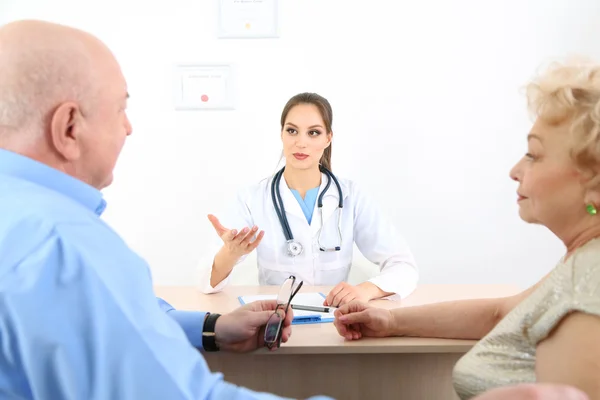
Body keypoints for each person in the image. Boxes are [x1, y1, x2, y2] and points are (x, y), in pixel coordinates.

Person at [0, 19, 330, 400]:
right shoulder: (63, 247)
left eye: (313, 132)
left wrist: (211, 327)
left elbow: (124, 318)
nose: (128, 128)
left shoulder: (21, 219)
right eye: (119, 109)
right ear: (69, 128)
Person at [332, 58, 600, 400]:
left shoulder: (589, 290)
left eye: (534, 155)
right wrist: (392, 322)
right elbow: (499, 312)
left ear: (596, 184)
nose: (515, 171)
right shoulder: (582, 264)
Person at [200, 92, 419, 306]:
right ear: (282, 134)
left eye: (313, 133)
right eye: (292, 131)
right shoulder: (252, 198)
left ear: (328, 138)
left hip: (335, 321)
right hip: (273, 321)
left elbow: (404, 266)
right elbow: (206, 281)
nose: (301, 142)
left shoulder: (351, 196)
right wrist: (230, 254)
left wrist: (365, 290)